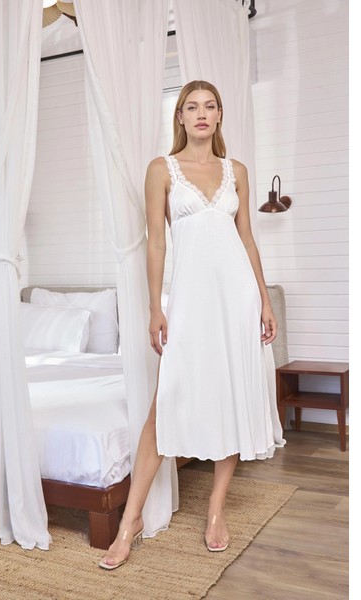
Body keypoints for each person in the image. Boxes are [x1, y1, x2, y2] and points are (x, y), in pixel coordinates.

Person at [99, 80, 285, 570]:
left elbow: (247, 240)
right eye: (191, 106)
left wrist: (264, 302)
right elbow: (156, 243)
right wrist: (155, 308)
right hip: (188, 302)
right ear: (180, 116)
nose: (201, 113)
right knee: (163, 410)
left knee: (232, 398)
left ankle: (216, 510)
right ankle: (129, 522)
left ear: (219, 115)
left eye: (210, 106)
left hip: (237, 300)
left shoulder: (236, 171)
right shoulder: (161, 170)